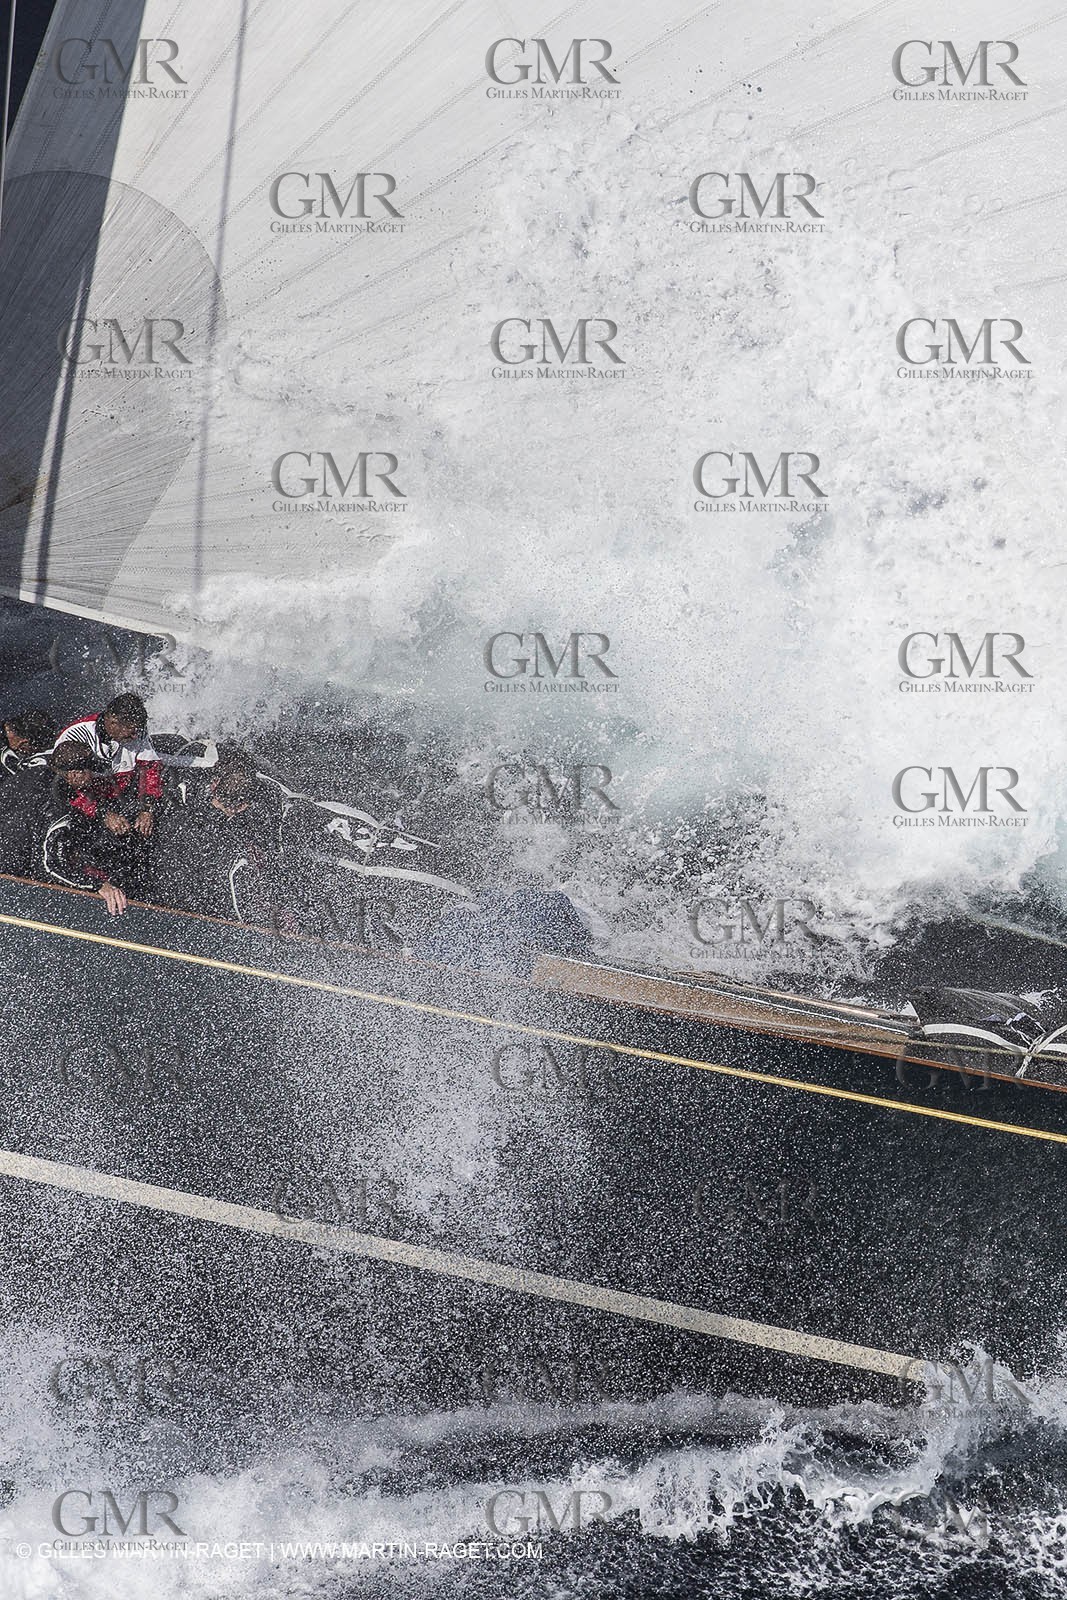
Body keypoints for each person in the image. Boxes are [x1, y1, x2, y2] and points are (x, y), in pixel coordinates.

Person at [150, 751, 290, 923]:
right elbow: (232, 898)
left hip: (160, 902)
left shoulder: (179, 817)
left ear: (214, 787)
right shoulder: (232, 843)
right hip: (201, 918)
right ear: (242, 806)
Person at [42, 742, 153, 915]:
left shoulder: (79, 787)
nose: (93, 774)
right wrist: (99, 885)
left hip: (84, 856)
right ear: (73, 774)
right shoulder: (58, 809)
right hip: (47, 883)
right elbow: (52, 864)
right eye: (89, 769)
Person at [49, 693, 163, 838]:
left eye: (138, 729)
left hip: (124, 794)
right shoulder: (75, 735)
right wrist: (104, 814)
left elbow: (150, 770)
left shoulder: (138, 730)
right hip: (90, 805)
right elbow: (67, 789)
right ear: (113, 722)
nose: (136, 736)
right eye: (131, 729)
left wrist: (147, 810)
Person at [0, 709, 59, 875]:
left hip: (22, 817)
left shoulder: (41, 764)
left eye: (12, 735)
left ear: (26, 744)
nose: (8, 734)